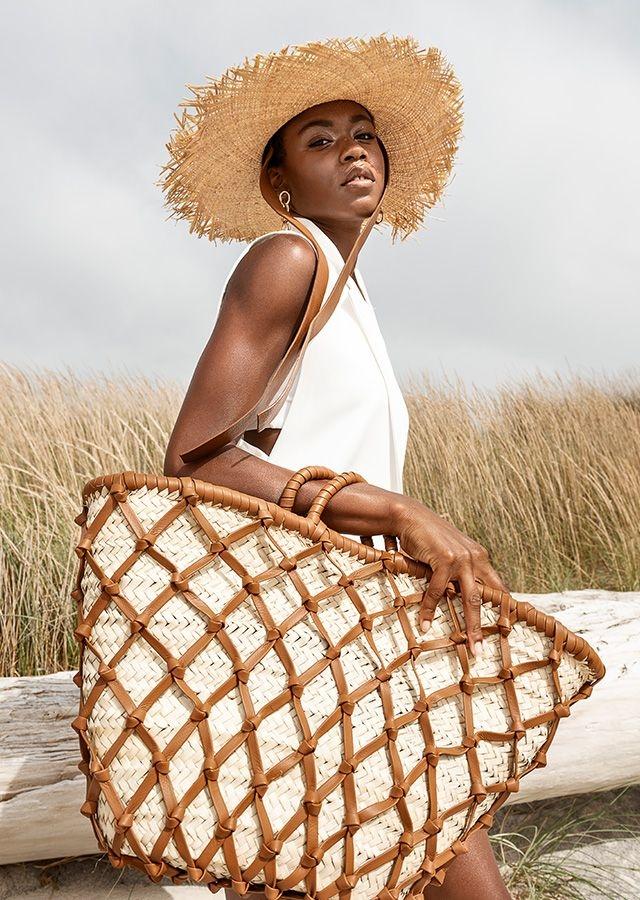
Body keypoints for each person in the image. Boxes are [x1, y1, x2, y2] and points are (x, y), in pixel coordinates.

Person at [160, 35, 512, 900]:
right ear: (282, 181)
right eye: (318, 139)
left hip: (358, 632)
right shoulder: (288, 261)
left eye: (363, 133)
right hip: (297, 637)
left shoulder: (352, 296)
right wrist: (394, 511)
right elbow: (191, 458)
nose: (352, 148)